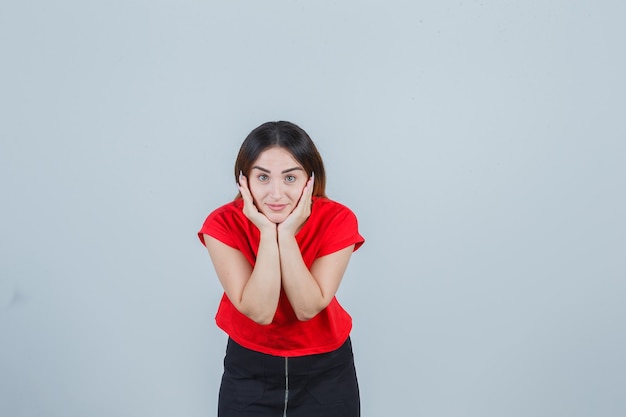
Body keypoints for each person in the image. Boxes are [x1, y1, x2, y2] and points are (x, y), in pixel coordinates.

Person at [198, 121, 364, 417]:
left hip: (327, 370)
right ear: (244, 180)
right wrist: (265, 232)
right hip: (249, 369)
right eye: (263, 177)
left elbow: (307, 307)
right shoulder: (221, 224)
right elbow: (260, 311)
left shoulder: (338, 219)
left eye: (290, 178)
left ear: (310, 180)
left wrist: (285, 235)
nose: (276, 194)